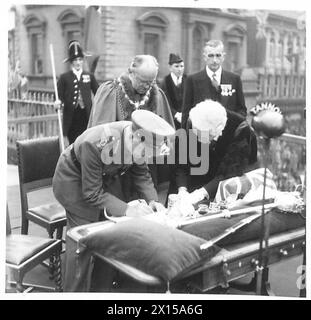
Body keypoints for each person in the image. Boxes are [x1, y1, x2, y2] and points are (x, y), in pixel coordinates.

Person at [53, 109, 175, 291]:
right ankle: (74, 291)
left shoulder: (141, 140)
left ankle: (101, 290)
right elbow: (92, 193)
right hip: (73, 180)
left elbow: (142, 174)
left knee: (112, 233)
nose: (146, 157)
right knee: (82, 239)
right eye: (146, 152)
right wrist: (128, 209)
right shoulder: (95, 144)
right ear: (135, 138)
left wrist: (152, 201)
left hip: (104, 178)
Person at [88, 54, 175, 191]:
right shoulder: (111, 92)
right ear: (131, 73)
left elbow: (166, 134)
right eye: (142, 81)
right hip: (117, 167)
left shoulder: (157, 95)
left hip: (146, 169)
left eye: (150, 82)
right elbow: (100, 133)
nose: (147, 86)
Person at [171, 99, 257, 205]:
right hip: (192, 183)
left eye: (201, 136)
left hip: (224, 190)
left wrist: (201, 193)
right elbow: (181, 162)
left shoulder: (240, 129)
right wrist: (182, 189)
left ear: (218, 131)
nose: (196, 138)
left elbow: (230, 172)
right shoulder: (195, 121)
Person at [181, 40, 247, 129]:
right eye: (211, 56)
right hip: (202, 137)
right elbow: (186, 114)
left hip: (228, 137)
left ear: (223, 57)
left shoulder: (234, 79)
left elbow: (242, 112)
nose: (215, 60)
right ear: (204, 57)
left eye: (218, 55)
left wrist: (225, 114)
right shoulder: (192, 80)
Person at [54, 40, 99, 145]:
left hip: (86, 117)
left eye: (80, 59)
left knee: (86, 143)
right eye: (75, 60)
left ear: (83, 60)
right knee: (73, 144)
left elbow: (98, 92)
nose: (78, 62)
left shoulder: (89, 76)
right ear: (71, 62)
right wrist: (57, 102)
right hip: (71, 117)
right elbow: (58, 95)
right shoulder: (64, 78)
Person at [160, 53, 186, 129]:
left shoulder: (188, 80)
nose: (180, 69)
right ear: (170, 67)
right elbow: (164, 102)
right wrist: (175, 114)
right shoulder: (164, 82)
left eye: (182, 66)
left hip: (186, 120)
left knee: (189, 139)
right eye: (176, 66)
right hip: (170, 120)